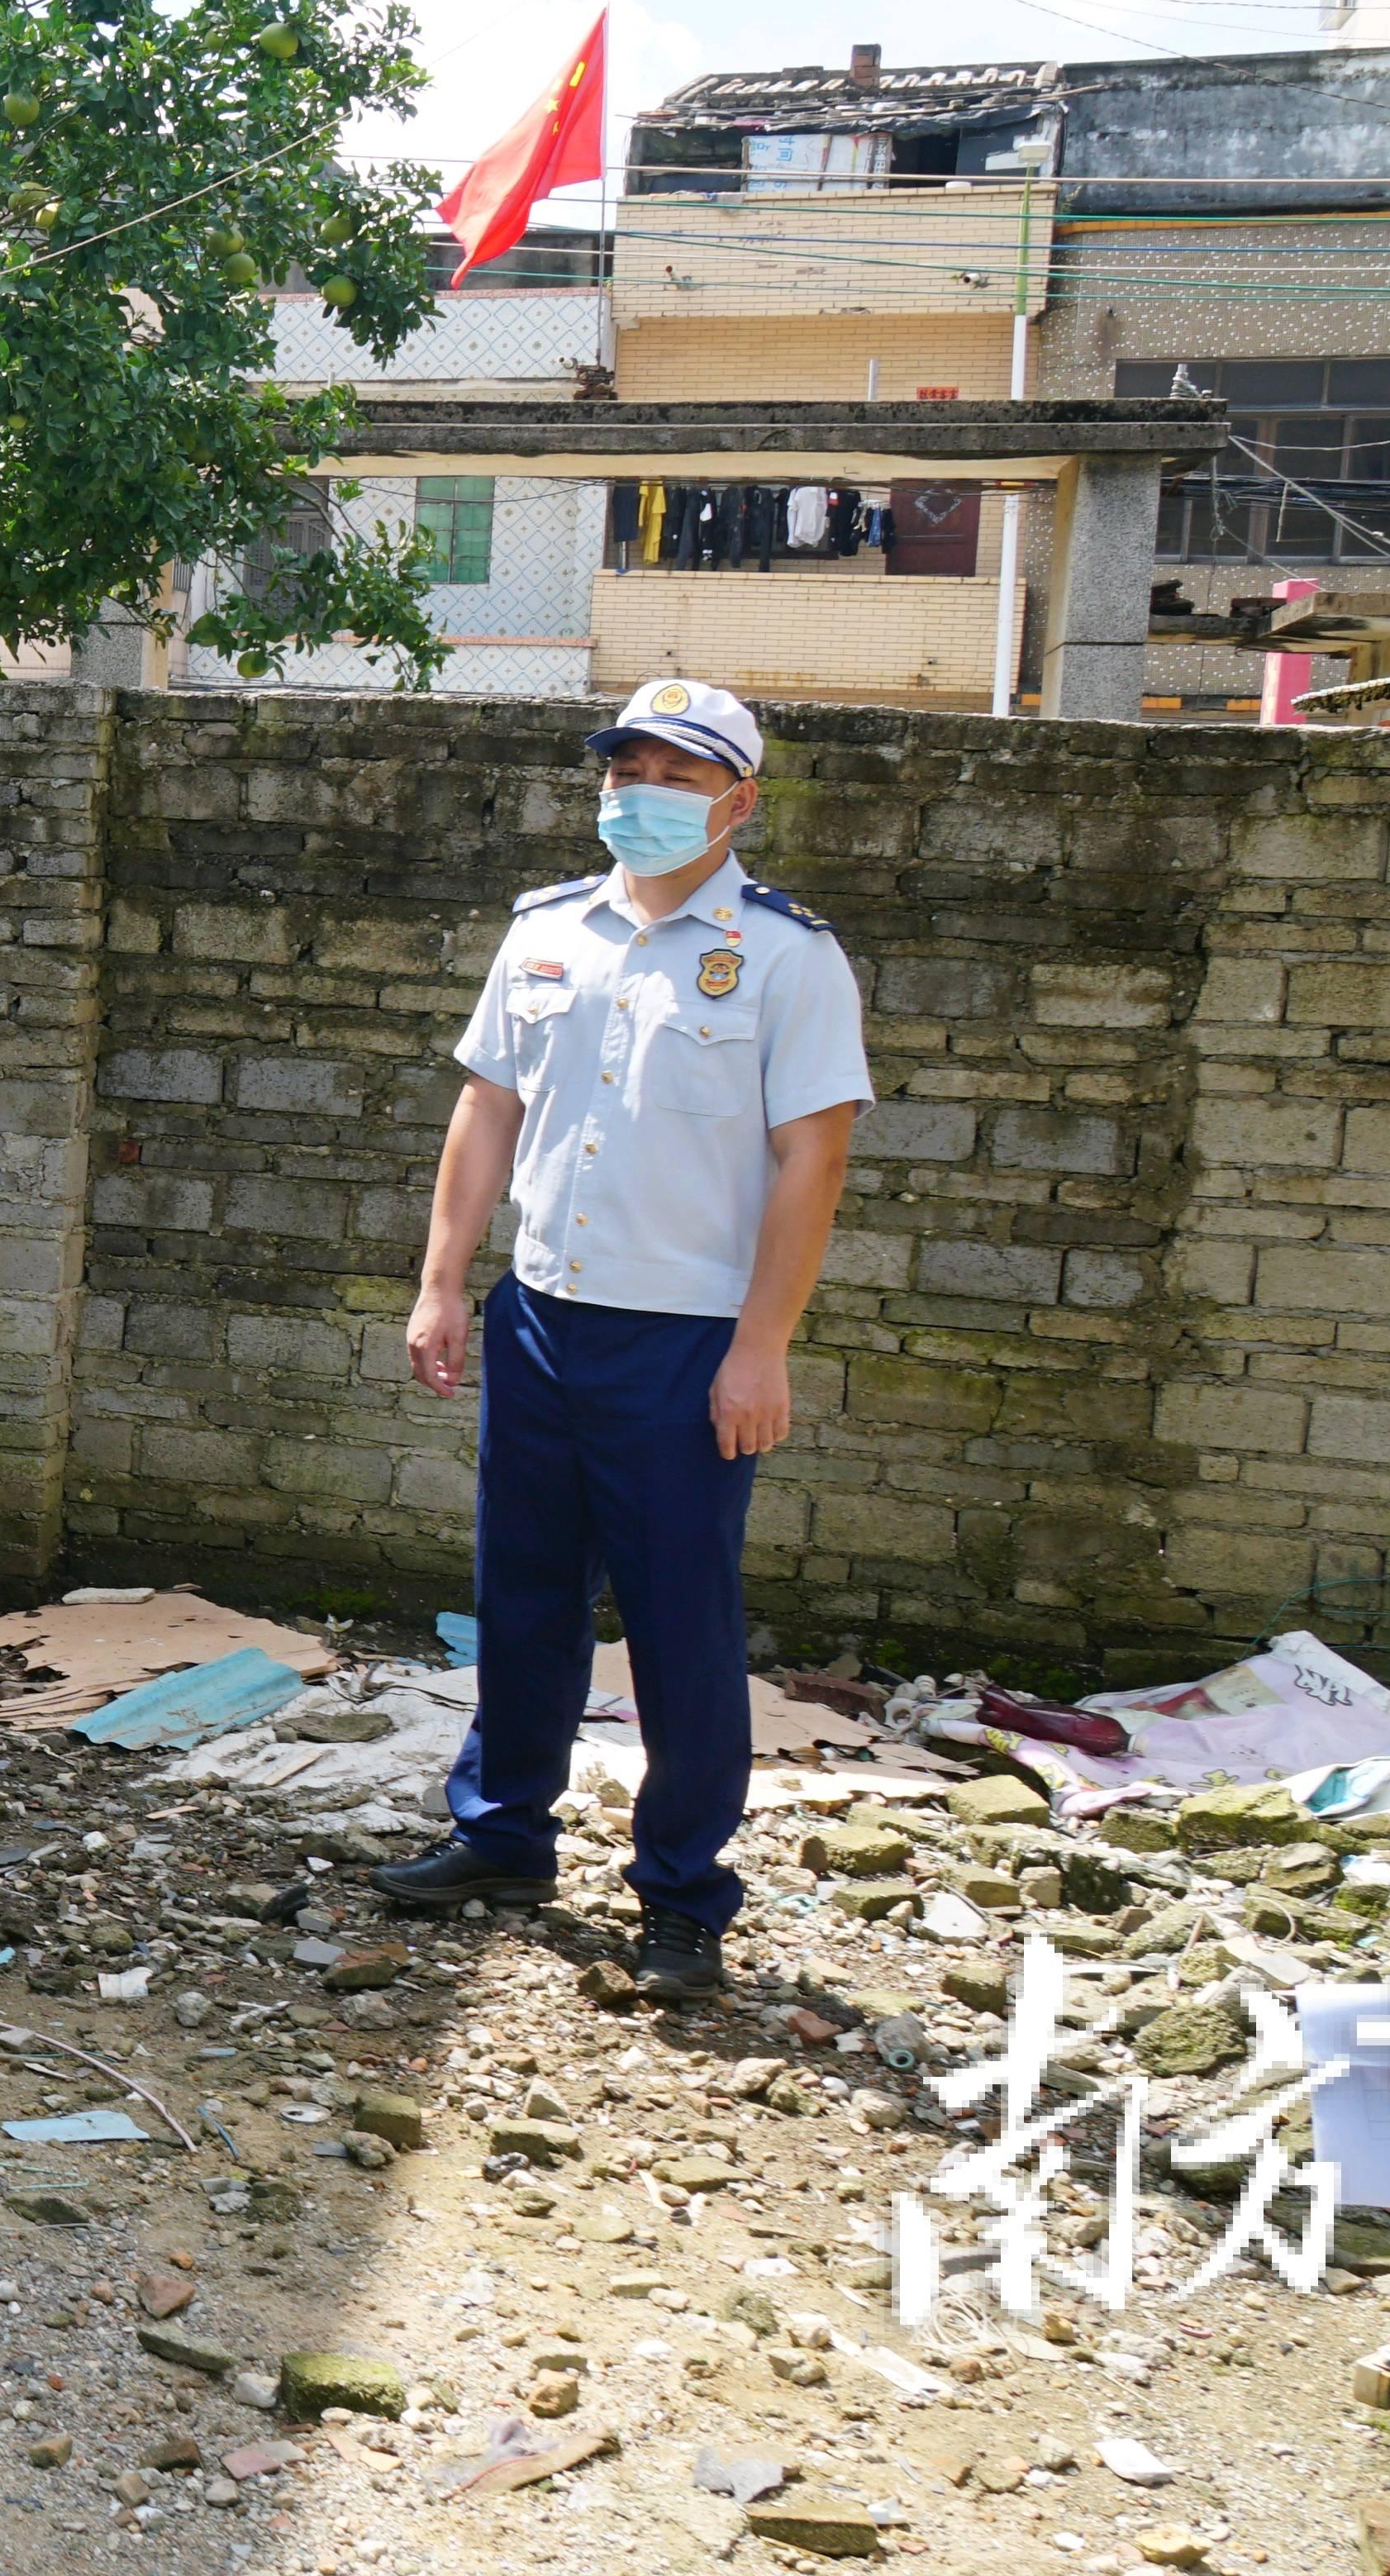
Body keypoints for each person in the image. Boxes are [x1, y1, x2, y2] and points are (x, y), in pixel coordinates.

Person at [368, 677, 867, 2001]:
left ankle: (684, 1897)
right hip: (542, 1317)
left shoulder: (786, 956)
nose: (635, 797)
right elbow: (487, 1111)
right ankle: (502, 1838)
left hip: (687, 1341)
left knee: (676, 1623)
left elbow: (811, 1162)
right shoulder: (549, 933)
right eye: (621, 770)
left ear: (737, 803)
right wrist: (442, 1284)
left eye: (673, 775)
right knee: (522, 1596)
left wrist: (763, 1348)